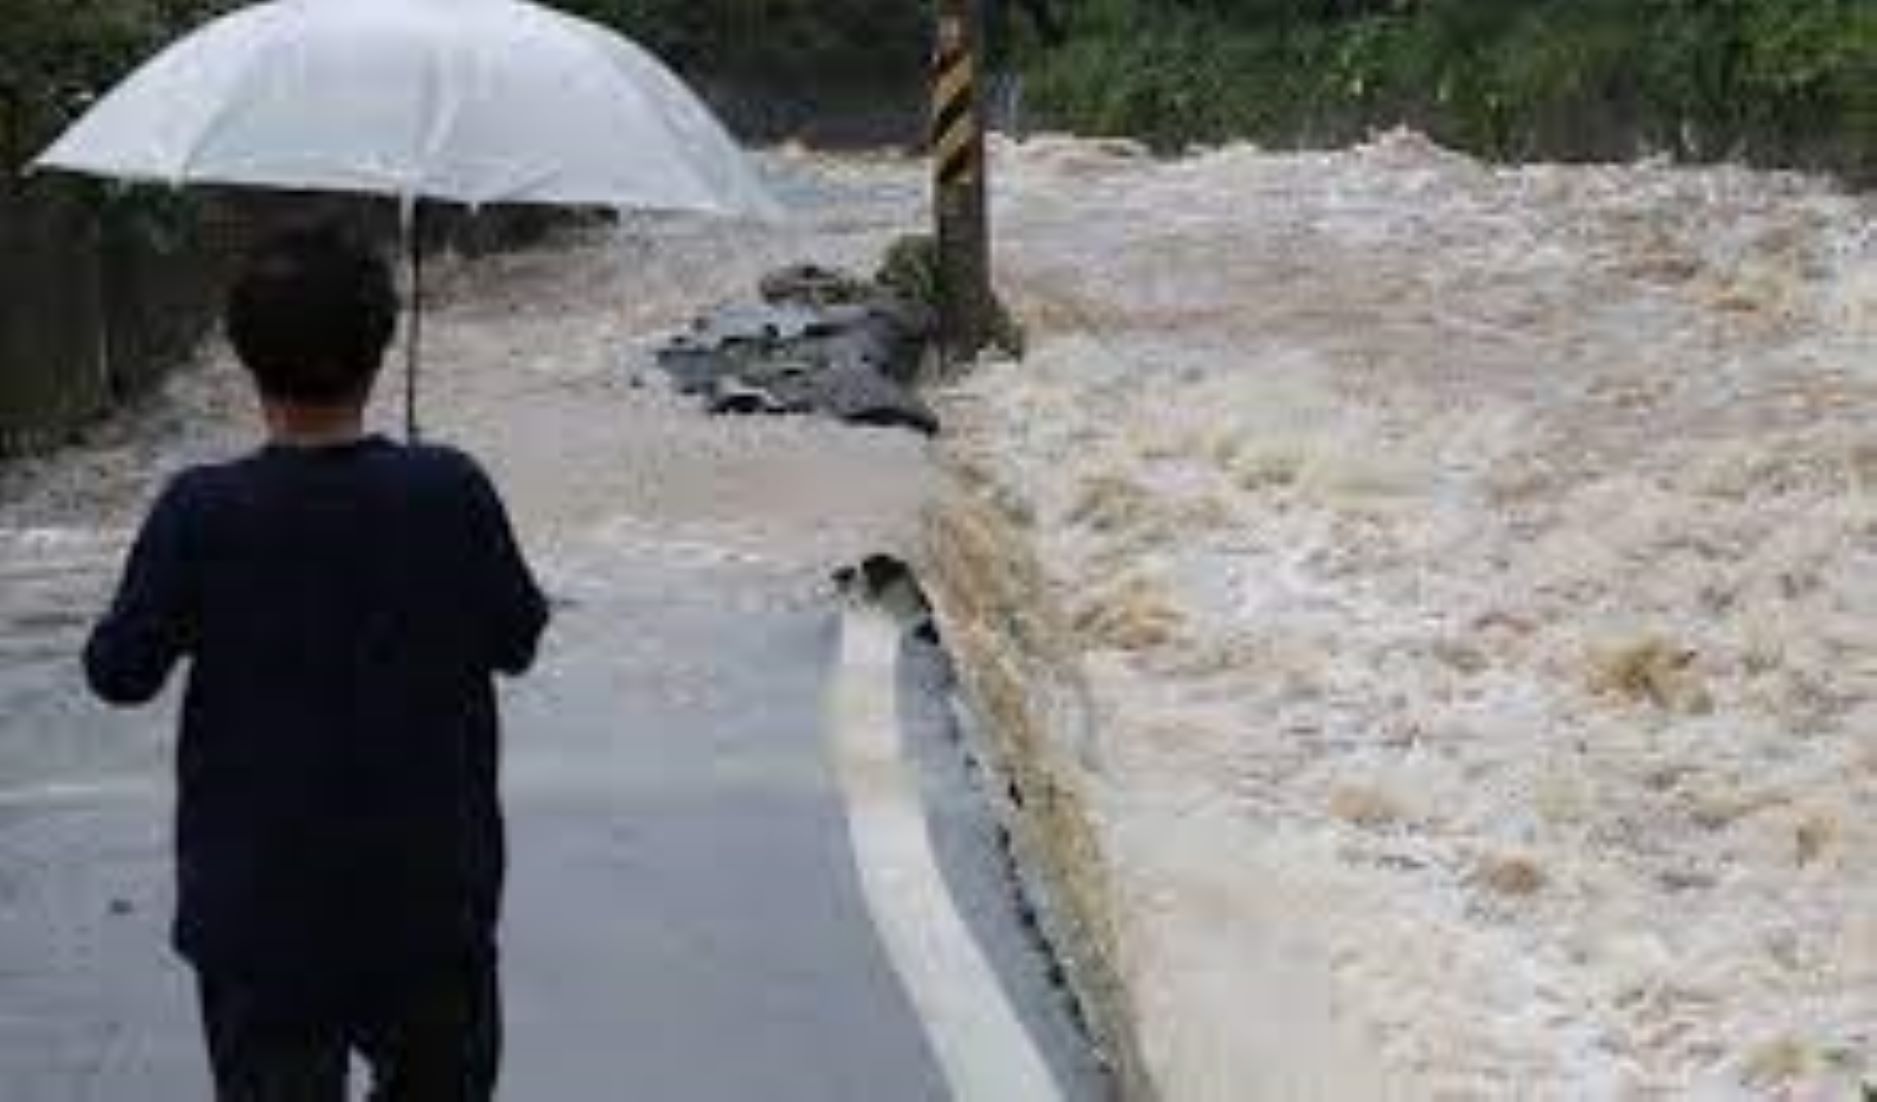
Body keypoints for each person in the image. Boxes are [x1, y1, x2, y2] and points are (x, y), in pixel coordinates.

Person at [84, 222, 549, 1101]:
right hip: (427, 905)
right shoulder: (448, 489)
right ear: (380, 348)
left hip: (258, 916)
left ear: (244, 355)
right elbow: (516, 641)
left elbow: (118, 673)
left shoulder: (200, 511)